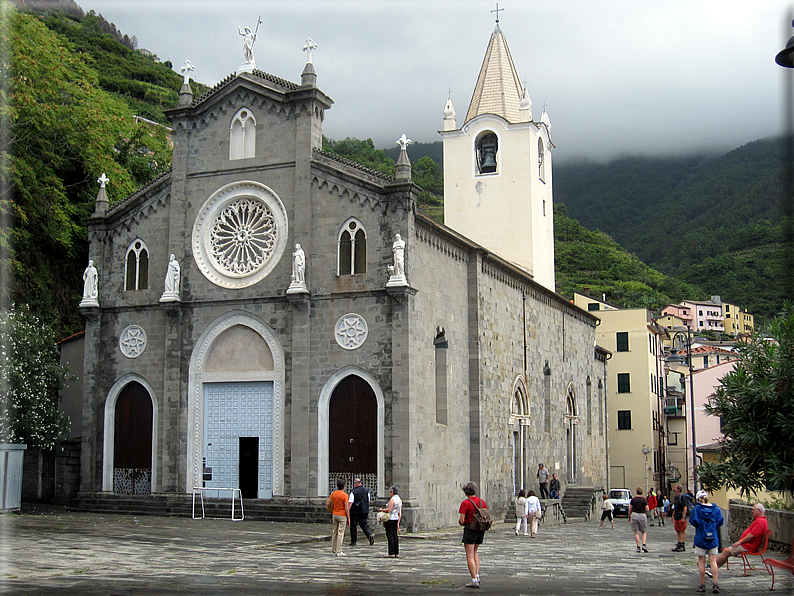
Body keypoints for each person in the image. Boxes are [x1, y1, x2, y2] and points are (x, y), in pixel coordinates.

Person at [710, 503, 768, 573]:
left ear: (759, 511)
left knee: (726, 551)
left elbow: (751, 535)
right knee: (726, 551)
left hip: (747, 547)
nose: (752, 511)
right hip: (746, 545)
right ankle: (713, 568)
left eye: (753, 510)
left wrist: (739, 542)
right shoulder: (759, 520)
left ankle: (712, 567)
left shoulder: (760, 522)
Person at [690, 490, 724, 594]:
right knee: (713, 561)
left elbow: (693, 521)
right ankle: (715, 584)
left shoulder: (697, 509)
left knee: (701, 561)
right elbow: (720, 521)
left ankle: (702, 584)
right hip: (713, 537)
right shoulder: (716, 508)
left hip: (701, 537)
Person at [459, 481, 487, 588]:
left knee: (469, 554)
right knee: (475, 552)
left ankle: (474, 579)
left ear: (466, 492)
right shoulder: (482, 502)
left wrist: (464, 522)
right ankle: (477, 575)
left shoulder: (465, 503)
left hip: (470, 529)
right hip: (480, 529)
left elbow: (462, 520)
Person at [325, 479, 350, 556]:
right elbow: (346, 507)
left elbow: (327, 502)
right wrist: (348, 517)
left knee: (334, 532)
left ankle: (334, 549)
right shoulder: (345, 495)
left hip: (334, 514)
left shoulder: (333, 494)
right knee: (340, 533)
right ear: (344, 487)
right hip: (342, 515)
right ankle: (339, 551)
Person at [348, 478, 374, 546]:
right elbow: (368, 501)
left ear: (356, 484)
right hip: (364, 511)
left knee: (353, 525)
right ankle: (369, 535)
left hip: (355, 511)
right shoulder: (366, 491)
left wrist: (347, 510)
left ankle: (353, 541)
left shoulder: (353, 492)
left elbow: (350, 502)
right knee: (364, 524)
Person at [378, 486, 402, 557]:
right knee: (395, 535)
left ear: (392, 492)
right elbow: (399, 513)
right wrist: (398, 523)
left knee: (390, 535)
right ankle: (396, 552)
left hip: (390, 518)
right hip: (396, 518)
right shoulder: (399, 500)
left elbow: (389, 510)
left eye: (390, 492)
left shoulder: (392, 499)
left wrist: (382, 510)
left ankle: (391, 552)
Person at [628, 486, 648, 553]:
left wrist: (629, 516)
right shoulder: (644, 500)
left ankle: (638, 546)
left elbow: (630, 509)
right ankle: (644, 545)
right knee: (644, 531)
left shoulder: (633, 499)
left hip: (634, 515)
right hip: (642, 514)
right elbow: (647, 509)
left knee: (636, 532)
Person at [671, 484, 689, 552]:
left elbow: (685, 507)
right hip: (677, 516)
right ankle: (679, 543)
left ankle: (682, 544)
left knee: (682, 530)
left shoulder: (682, 497)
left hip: (681, 515)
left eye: (675, 488)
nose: (674, 489)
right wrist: (673, 515)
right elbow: (675, 507)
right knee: (678, 530)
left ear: (679, 489)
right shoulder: (675, 497)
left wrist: (684, 516)